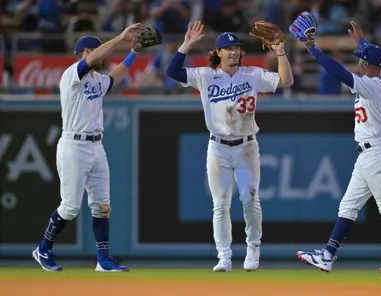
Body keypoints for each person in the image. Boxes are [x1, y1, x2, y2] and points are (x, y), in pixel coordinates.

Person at [289, 16, 381, 274]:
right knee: (348, 206)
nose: (359, 61)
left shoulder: (371, 84)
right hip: (371, 153)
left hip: (376, 153)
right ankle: (327, 255)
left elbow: (338, 71)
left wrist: (312, 48)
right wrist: (361, 40)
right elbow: (373, 58)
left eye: (362, 58)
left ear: (368, 64)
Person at [166, 20, 294, 272]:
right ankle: (224, 256)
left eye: (236, 47)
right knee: (220, 203)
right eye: (228, 48)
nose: (234, 51)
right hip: (218, 148)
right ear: (218, 52)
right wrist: (187, 45)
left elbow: (286, 81)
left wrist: (280, 52)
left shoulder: (253, 74)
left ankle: (253, 248)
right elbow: (173, 72)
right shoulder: (205, 75)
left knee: (250, 199)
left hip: (246, 146)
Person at [32, 23, 150, 272]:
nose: (103, 56)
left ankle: (103, 260)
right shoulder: (72, 74)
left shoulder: (97, 79)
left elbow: (115, 78)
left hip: (96, 146)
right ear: (85, 53)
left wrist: (134, 53)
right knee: (70, 207)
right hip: (73, 145)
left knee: (102, 205)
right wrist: (119, 37)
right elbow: (98, 56)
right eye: (97, 52)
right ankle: (43, 249)